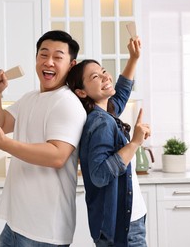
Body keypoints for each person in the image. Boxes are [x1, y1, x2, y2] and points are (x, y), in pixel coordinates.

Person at [0, 30, 87, 247]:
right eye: (43, 54)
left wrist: (4, 144)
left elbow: (57, 156)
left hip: (45, 230)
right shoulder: (30, 98)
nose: (49, 62)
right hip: (17, 224)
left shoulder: (67, 102)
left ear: (71, 65)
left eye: (58, 57)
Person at [66, 37, 150, 247]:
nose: (105, 76)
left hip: (126, 221)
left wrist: (133, 59)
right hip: (124, 227)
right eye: (96, 76)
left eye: (104, 71)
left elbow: (120, 94)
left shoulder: (105, 111)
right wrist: (135, 143)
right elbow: (100, 174)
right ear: (82, 92)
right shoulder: (101, 123)